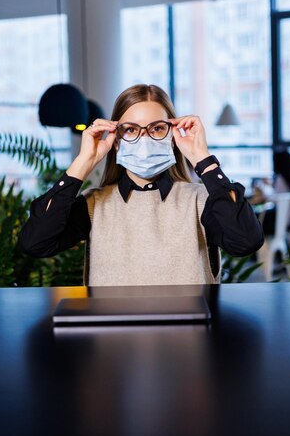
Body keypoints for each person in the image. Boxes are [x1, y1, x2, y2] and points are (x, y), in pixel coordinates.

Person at [19, 84, 264, 286]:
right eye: (130, 130)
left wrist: (203, 158)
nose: (144, 139)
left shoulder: (200, 201)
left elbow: (246, 241)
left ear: (172, 136)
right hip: (113, 338)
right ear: (116, 140)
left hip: (188, 339)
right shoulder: (94, 204)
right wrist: (83, 163)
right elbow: (36, 243)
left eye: (157, 128)